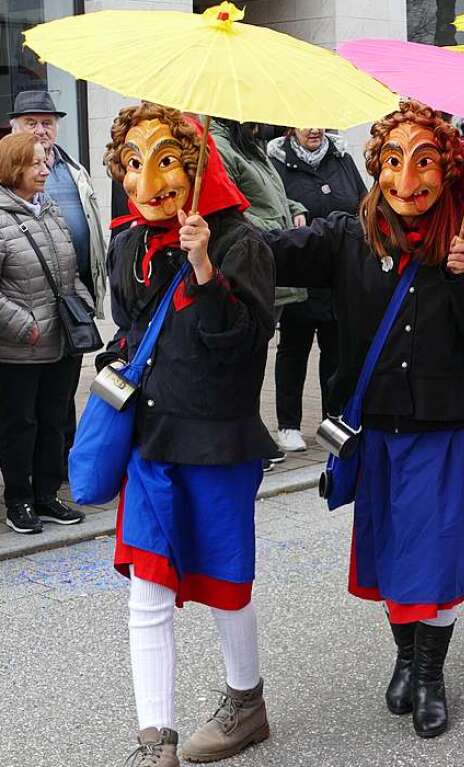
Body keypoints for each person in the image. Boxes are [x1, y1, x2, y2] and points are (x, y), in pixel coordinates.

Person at [265, 101, 464, 738]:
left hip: (447, 427)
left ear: (448, 170)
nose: (405, 180)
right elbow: (272, 250)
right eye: (391, 160)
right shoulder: (350, 234)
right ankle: (405, 656)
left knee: (433, 558)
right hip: (376, 428)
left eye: (423, 161)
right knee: (391, 554)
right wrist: (207, 223)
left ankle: (431, 674)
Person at [102, 104, 278, 765]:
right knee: (147, 589)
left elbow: (243, 346)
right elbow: (126, 329)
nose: (148, 179)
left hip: (217, 443)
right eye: (133, 164)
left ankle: (246, 701)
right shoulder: (126, 243)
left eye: (167, 160)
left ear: (198, 166)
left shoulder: (242, 244)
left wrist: (205, 268)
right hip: (150, 442)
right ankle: (156, 740)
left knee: (223, 585)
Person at [9, 90, 108, 465]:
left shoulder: (72, 168)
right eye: (31, 123)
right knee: (25, 400)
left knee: (62, 390)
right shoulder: (6, 171)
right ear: (15, 126)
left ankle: (60, 461)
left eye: (47, 123)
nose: (40, 130)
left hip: (72, 289)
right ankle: (28, 474)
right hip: (24, 298)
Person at [0, 132, 90, 534]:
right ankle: (18, 500)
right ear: (13, 167)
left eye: (46, 159)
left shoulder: (49, 209)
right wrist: (27, 326)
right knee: (21, 424)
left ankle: (47, 495)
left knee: (55, 420)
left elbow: (70, 270)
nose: (45, 168)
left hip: (62, 341)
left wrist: (84, 305)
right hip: (20, 346)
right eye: (36, 162)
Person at [209, 117, 306, 469]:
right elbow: (233, 211)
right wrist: (280, 232)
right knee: (243, 357)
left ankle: (247, 431)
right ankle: (240, 437)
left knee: (254, 356)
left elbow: (270, 197)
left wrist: (294, 210)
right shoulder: (221, 146)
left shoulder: (247, 144)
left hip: (269, 259)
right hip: (248, 263)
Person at [267, 127, 367, 452]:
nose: (314, 128)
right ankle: (288, 424)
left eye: (320, 122)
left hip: (338, 275)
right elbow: (272, 206)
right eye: (306, 122)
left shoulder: (342, 160)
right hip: (300, 271)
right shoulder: (278, 162)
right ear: (291, 127)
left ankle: (332, 419)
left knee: (336, 351)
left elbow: (362, 203)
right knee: (293, 350)